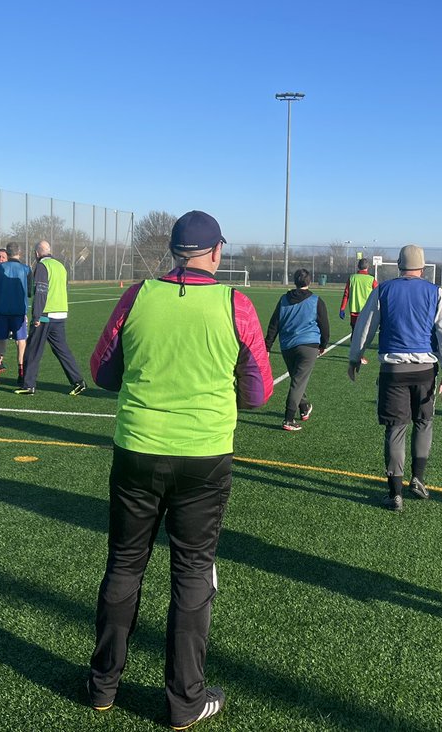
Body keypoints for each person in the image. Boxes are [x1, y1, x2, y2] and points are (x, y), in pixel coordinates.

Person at [86, 210, 273, 728]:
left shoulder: (137, 295)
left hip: (137, 451)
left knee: (124, 566)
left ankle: (103, 685)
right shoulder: (235, 304)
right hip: (204, 458)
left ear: (171, 252)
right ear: (216, 252)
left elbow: (103, 371)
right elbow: (258, 393)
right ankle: (183, 701)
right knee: (192, 574)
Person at [348, 244, 442, 512]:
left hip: (393, 371)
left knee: (395, 429)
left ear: (398, 265)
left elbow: (365, 327)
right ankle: (418, 479)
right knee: (424, 422)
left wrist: (355, 357)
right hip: (425, 371)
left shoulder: (383, 290)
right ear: (423, 266)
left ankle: (394, 494)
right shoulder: (436, 293)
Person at [15, 240, 87, 396]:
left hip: (46, 315)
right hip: (61, 313)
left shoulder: (42, 266)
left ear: (36, 253)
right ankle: (78, 381)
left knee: (33, 349)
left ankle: (28, 385)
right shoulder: (60, 266)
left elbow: (41, 291)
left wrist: (36, 315)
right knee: (62, 350)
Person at [264, 268, 330, 431]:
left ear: (295, 281)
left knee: (297, 380)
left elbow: (274, 324)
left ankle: (304, 406)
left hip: (287, 347)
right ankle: (288, 419)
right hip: (308, 346)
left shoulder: (283, 299)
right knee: (298, 382)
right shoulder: (316, 300)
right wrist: (323, 344)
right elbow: (325, 326)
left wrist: (267, 346)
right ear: (309, 282)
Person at [0, 241, 30, 386]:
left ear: (7, 253)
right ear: (20, 253)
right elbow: (30, 292)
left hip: (1, 311)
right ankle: (21, 373)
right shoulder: (26, 269)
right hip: (18, 312)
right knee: (21, 342)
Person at [339, 258, 378, 365]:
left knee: (355, 333)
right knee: (364, 335)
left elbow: (346, 294)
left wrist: (342, 308)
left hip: (354, 311)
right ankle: (360, 355)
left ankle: (355, 354)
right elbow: (379, 294)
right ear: (367, 267)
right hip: (367, 312)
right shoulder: (371, 280)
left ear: (358, 266)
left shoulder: (352, 278)